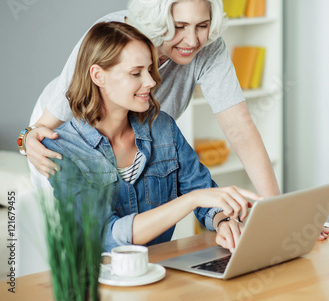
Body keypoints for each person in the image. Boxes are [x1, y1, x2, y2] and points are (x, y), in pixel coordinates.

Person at [22, 0, 280, 199]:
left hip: (135, 139)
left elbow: (240, 128)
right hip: (75, 129)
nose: (192, 41)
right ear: (158, 18)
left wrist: (275, 207)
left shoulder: (208, 47)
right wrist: (28, 139)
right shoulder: (112, 34)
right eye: (179, 26)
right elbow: (44, 126)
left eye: (202, 25)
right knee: (78, 237)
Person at [42, 21, 261, 252]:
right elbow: (106, 236)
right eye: (136, 73)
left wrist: (224, 222)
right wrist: (192, 199)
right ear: (98, 76)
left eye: (149, 69)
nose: (151, 81)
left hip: (160, 273)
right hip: (99, 281)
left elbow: (202, 192)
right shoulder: (62, 148)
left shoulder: (163, 127)